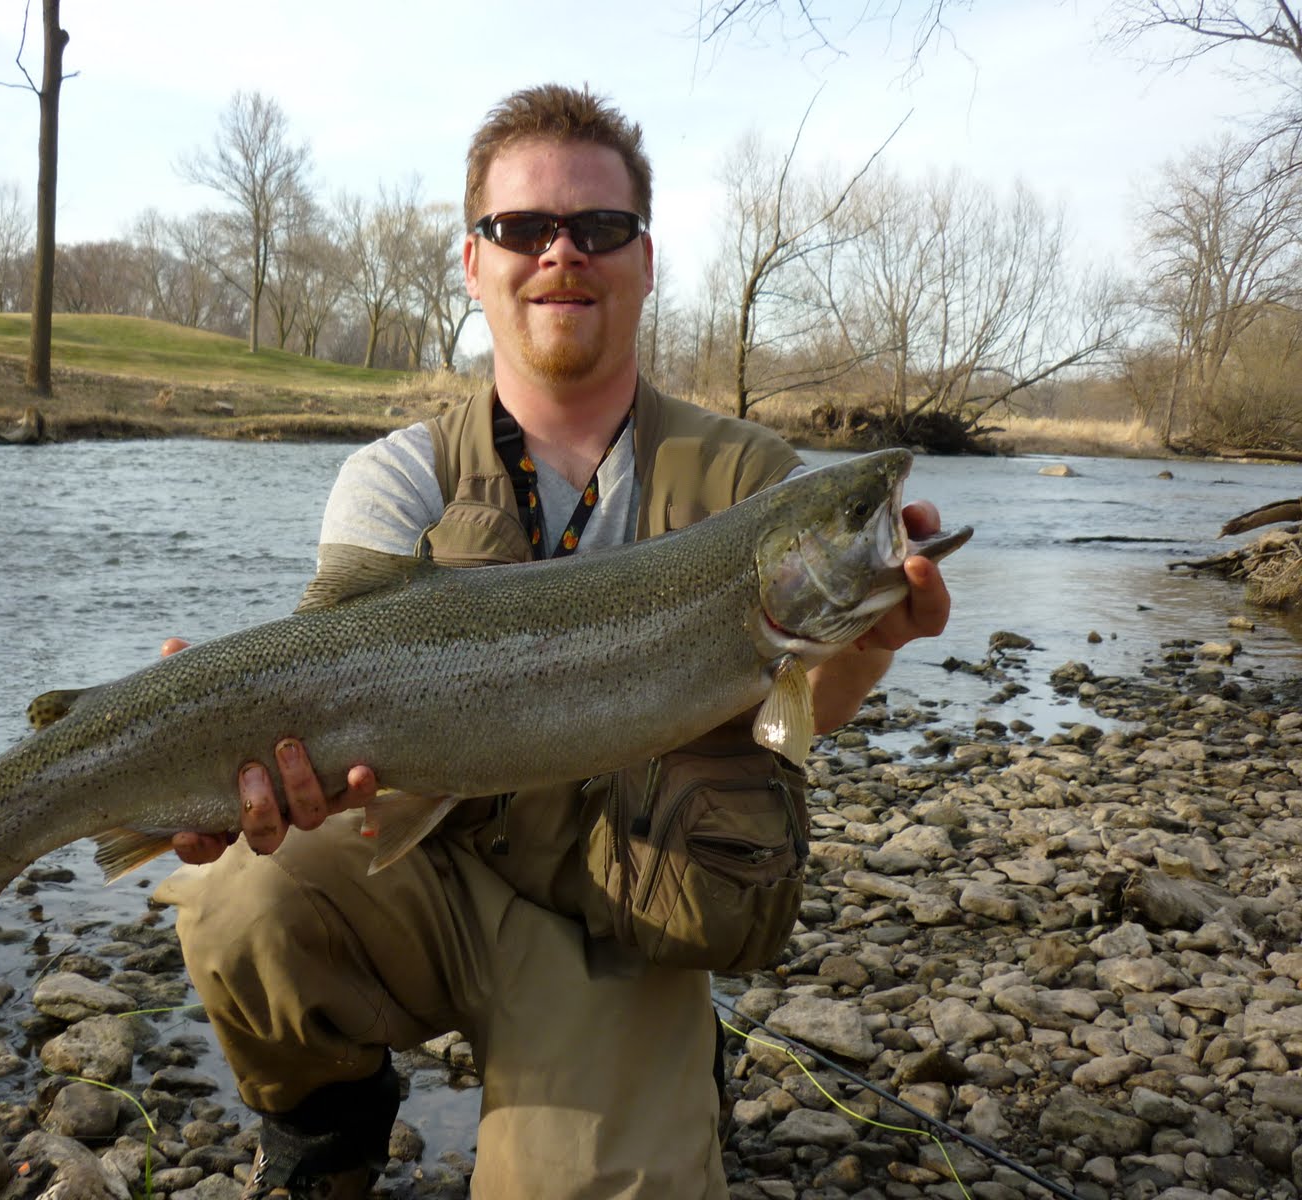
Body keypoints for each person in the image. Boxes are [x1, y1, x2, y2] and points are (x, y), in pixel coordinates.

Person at [161, 83, 952, 1200]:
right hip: (430, 870)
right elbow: (331, 723)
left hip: (631, 901)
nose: (561, 254)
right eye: (523, 228)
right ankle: (327, 1125)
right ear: (473, 262)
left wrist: (872, 637)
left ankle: (676, 1062)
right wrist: (214, 766)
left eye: (599, 228)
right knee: (237, 896)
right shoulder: (394, 478)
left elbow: (795, 709)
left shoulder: (751, 484)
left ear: (643, 259)